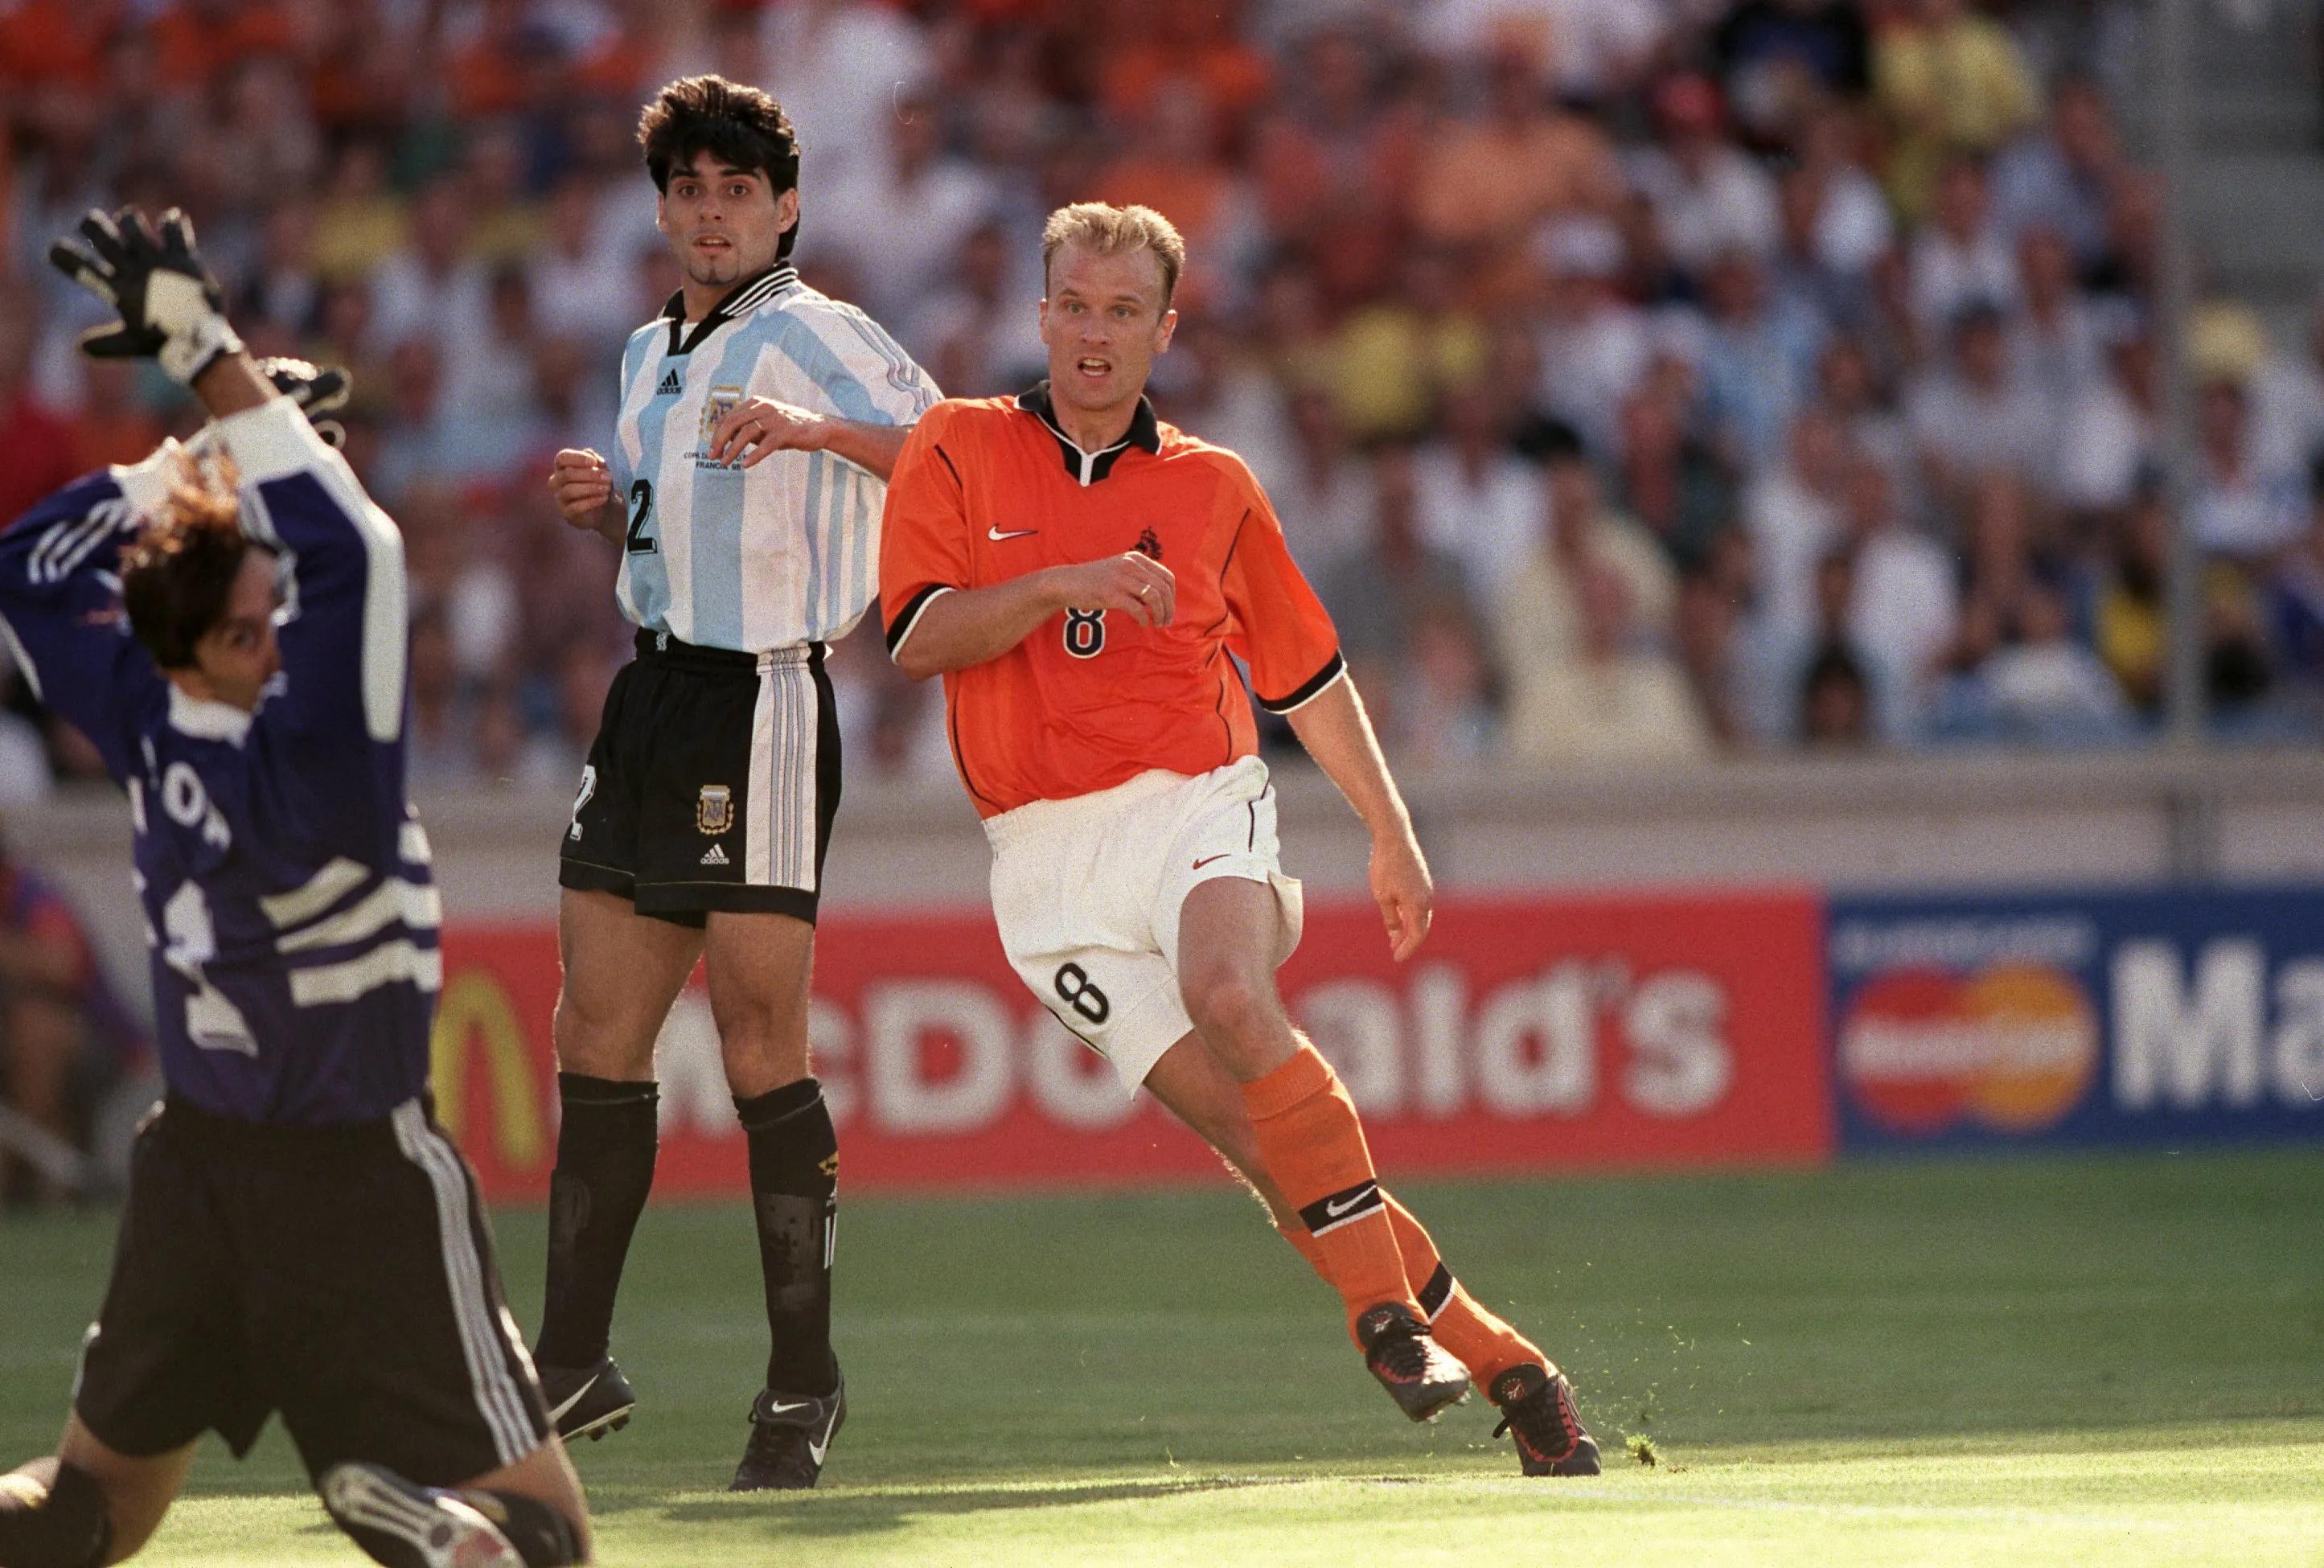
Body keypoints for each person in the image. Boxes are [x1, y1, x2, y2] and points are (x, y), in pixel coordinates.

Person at [877, 202, 1601, 1478]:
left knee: (1228, 990)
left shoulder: (1212, 486)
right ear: (1039, 314)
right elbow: (915, 635)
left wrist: (1389, 831)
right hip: (1043, 867)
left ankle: (1379, 1321)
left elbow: (1309, 675)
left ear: (1166, 329)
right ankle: (1510, 1365)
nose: (1094, 334)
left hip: (1196, 798)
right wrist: (1063, 582)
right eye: (1074, 305)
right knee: (1270, 1153)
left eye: (1122, 311)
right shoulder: (954, 447)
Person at [0, 207, 589, 1568]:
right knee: (546, 1531)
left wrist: (186, 463)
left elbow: (28, 569)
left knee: (91, 1505)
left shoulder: (138, 704)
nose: (277, 636)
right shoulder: (324, 745)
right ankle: (434, 1521)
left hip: (192, 1163)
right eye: (254, 624)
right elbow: (356, 549)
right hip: (356, 1170)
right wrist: (213, 359)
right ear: (219, 638)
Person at [540, 75, 937, 1491]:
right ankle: (573, 1358)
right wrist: (612, 512)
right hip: (650, 692)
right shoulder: (647, 349)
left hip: (763, 695)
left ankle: (802, 1380)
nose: (711, 214)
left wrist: (819, 433)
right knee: (594, 1025)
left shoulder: (814, 332)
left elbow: (955, 460)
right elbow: (677, 536)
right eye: (688, 191)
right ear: (662, 211)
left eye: (735, 191)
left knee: (764, 1038)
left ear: (783, 208)